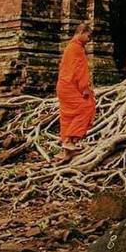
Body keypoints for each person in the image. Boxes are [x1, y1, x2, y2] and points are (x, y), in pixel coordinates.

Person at [56, 21, 96, 164]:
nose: (89, 40)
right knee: (86, 108)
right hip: (71, 86)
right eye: (88, 36)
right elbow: (79, 71)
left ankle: (66, 151)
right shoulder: (76, 49)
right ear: (81, 33)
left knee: (68, 115)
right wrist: (84, 88)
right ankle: (69, 141)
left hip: (63, 86)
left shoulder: (70, 47)